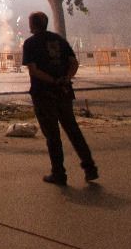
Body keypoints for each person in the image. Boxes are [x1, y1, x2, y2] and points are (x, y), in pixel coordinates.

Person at [21, 11, 97, 185]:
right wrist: (66, 79)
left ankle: (59, 173)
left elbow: (34, 70)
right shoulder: (59, 40)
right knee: (73, 131)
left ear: (34, 25)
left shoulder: (30, 44)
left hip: (43, 94)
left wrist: (52, 81)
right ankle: (90, 167)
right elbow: (74, 63)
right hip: (64, 92)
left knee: (52, 136)